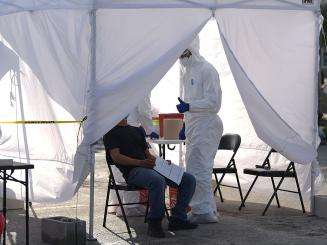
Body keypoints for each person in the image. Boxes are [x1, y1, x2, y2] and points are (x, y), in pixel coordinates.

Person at [103, 117, 198, 238]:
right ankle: (154, 223)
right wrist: (140, 163)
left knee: (189, 179)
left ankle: (178, 218)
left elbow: (148, 155)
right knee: (157, 180)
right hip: (133, 170)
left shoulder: (137, 130)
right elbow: (116, 157)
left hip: (149, 166)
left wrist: (162, 163)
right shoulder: (110, 132)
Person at [177, 36, 223, 223]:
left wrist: (190, 107)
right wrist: (185, 123)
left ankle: (203, 213)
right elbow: (187, 102)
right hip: (195, 125)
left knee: (200, 168)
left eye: (184, 52)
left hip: (207, 124)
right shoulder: (185, 71)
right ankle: (205, 209)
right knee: (195, 167)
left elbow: (214, 103)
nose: (182, 56)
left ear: (193, 49)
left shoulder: (207, 70)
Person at [108, 95, 159, 217]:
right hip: (131, 127)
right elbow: (144, 111)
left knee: (117, 171)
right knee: (131, 168)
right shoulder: (143, 83)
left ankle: (117, 204)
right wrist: (149, 129)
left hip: (118, 125)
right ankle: (130, 206)